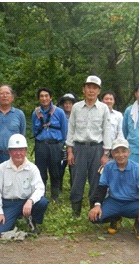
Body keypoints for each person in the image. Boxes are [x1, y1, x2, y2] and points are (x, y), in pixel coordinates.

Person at [88, 138, 139, 241]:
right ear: (112, 154)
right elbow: (101, 188)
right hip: (114, 201)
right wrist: (97, 205)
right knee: (94, 217)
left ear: (129, 152)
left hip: (133, 202)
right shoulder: (108, 167)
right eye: (116, 152)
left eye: (124, 151)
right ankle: (115, 218)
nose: (120, 155)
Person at [66, 75, 112, 217]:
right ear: (84, 89)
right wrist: (70, 151)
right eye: (89, 87)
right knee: (77, 178)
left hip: (97, 148)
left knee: (95, 179)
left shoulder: (103, 108)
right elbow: (71, 129)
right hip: (79, 148)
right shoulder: (76, 107)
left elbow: (107, 131)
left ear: (99, 91)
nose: (91, 91)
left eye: (94, 88)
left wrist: (106, 154)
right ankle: (76, 210)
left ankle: (94, 207)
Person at [0, 134, 49, 238]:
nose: (18, 153)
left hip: (25, 202)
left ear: (26, 151)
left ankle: (32, 221)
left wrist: (30, 201)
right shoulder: (1, 168)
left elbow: (40, 188)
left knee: (42, 202)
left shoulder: (32, 168)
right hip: (9, 204)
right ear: (9, 152)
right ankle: (12, 220)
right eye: (14, 150)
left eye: (21, 150)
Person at [0, 85, 26, 184]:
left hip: (13, 154)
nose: (5, 96)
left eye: (7, 93)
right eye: (2, 93)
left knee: (14, 180)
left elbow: (21, 134)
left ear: (12, 97)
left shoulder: (19, 114)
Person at [31, 87, 68, 202]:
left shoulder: (59, 112)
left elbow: (64, 130)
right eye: (41, 96)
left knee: (55, 170)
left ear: (50, 97)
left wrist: (61, 145)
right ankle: (40, 195)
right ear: (39, 98)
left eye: (46, 96)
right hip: (41, 145)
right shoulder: (36, 113)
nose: (44, 98)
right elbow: (33, 129)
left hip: (55, 145)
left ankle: (55, 195)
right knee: (40, 171)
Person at [57, 93, 78, 192]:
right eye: (66, 103)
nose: (68, 105)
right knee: (60, 166)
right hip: (62, 144)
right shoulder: (59, 115)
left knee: (73, 167)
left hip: (75, 145)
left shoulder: (78, 115)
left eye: (70, 103)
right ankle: (58, 187)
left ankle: (73, 187)